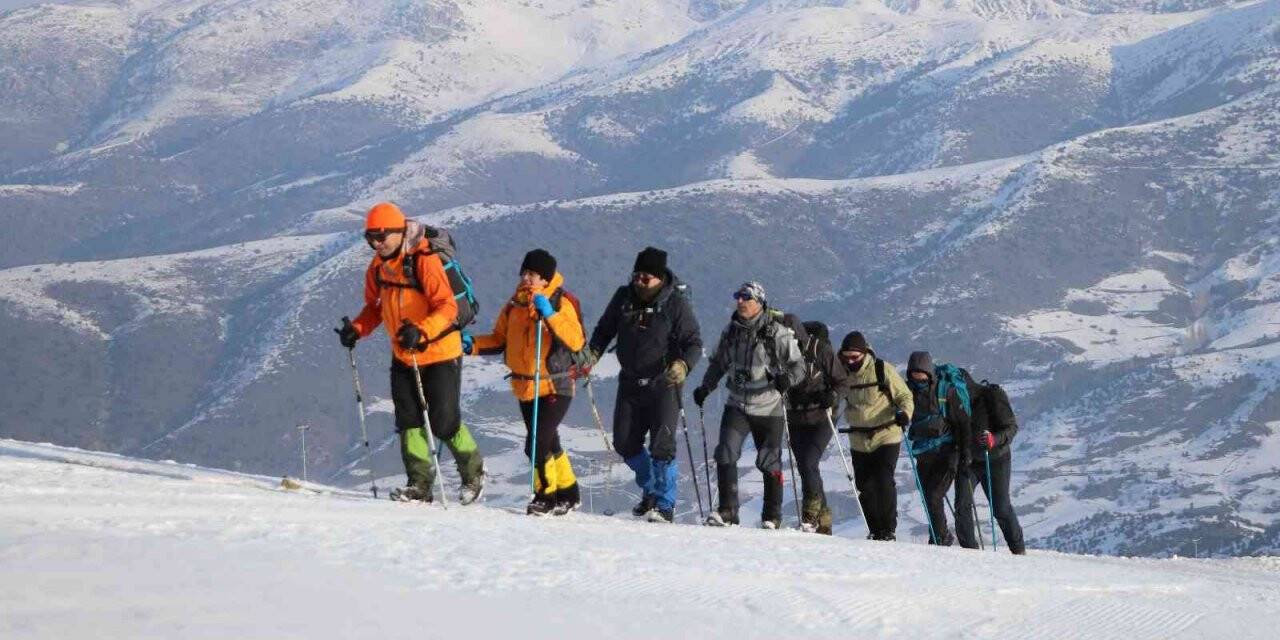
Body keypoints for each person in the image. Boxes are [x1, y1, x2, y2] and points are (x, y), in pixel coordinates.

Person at [334, 202, 485, 504]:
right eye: (369, 238)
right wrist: (358, 329)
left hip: (440, 351)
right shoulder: (377, 268)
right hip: (404, 354)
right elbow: (375, 308)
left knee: (443, 420)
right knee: (409, 419)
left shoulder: (424, 260)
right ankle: (419, 484)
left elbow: (447, 307)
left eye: (380, 236)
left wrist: (422, 330)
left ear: (397, 231)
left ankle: (473, 475)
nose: (375, 243)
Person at [586, 247, 702, 523]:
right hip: (629, 382)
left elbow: (694, 342)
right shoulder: (623, 297)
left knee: (662, 444)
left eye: (646, 277)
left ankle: (664, 503)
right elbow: (604, 330)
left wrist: (683, 365)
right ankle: (651, 487)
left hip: (664, 383)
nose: (639, 281)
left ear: (660, 278)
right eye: (636, 275)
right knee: (625, 443)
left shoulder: (675, 303)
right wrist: (592, 354)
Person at [467, 249, 586, 516]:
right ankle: (569, 493)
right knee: (548, 441)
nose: (526, 278)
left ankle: (546, 496)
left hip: (555, 383)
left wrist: (550, 315)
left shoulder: (559, 302)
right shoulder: (515, 304)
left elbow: (576, 340)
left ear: (546, 279)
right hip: (526, 385)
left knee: (536, 443)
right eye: (524, 272)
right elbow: (499, 340)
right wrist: (471, 344)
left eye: (532, 274)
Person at [692, 282, 805, 529]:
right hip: (738, 404)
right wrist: (705, 387)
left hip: (770, 406)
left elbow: (799, 366)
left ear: (759, 303)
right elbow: (719, 363)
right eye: (738, 297)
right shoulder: (731, 332)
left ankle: (772, 516)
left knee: (769, 460)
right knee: (725, 452)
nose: (740, 302)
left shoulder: (777, 332)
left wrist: (788, 379)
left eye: (746, 298)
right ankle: (727, 511)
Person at [833, 331, 912, 540]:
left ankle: (888, 530)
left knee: (884, 480)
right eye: (846, 357)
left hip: (886, 434)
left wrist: (905, 414)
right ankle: (875, 530)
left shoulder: (881, 369)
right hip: (858, 438)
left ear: (864, 353)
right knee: (864, 485)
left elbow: (904, 395)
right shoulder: (841, 373)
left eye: (854, 357)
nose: (850, 361)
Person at [780, 317, 845, 535]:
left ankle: (810, 516)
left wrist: (833, 396)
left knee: (808, 462)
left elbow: (842, 381)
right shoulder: (779, 353)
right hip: (795, 417)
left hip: (822, 416)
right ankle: (824, 521)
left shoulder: (821, 351)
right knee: (807, 468)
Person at [904, 351, 971, 545]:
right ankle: (937, 534)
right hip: (924, 453)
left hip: (947, 452)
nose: (918, 379)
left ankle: (941, 537)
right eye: (914, 375)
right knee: (928, 496)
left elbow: (963, 422)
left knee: (934, 495)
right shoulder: (908, 391)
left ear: (929, 373)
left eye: (921, 374)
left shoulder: (945, 391)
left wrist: (965, 451)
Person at [954, 377, 1026, 554]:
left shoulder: (991, 395)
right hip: (968, 460)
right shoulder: (952, 402)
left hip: (995, 459)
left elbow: (1011, 427)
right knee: (962, 504)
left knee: (1001, 507)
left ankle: (1018, 549)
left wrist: (994, 439)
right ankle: (969, 552)